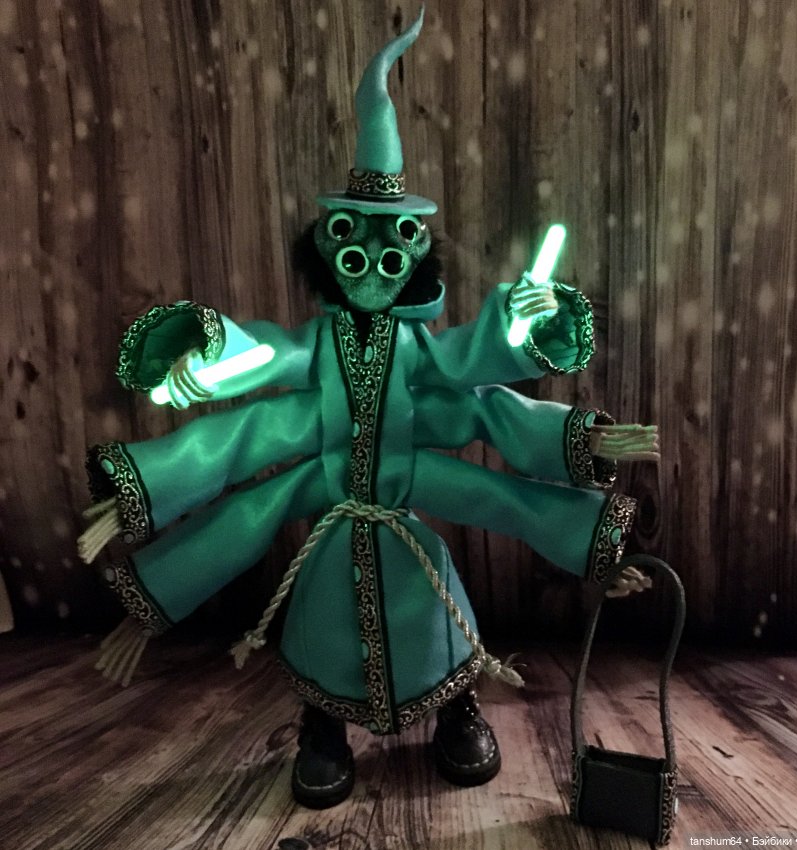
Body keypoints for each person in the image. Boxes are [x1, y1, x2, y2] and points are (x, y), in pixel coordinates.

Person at [78, 8, 658, 809]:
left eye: (394, 251)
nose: (372, 270)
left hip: (409, 505)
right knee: (314, 609)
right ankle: (323, 727)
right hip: (329, 516)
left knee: (447, 589)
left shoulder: (419, 350)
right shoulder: (315, 347)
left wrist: (527, 325)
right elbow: (256, 363)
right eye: (354, 248)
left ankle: (456, 708)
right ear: (328, 249)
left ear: (416, 256)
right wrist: (204, 358)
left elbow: (477, 376)